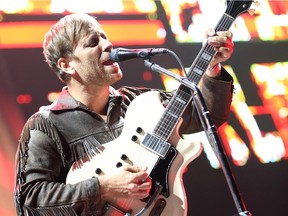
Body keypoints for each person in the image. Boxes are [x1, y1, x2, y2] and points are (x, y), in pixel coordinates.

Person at [14, 13, 234, 216]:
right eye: (93, 43)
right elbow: (29, 200)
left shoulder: (140, 101)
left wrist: (211, 68)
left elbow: (204, 115)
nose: (108, 45)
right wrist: (103, 187)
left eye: (105, 38)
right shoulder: (45, 125)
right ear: (67, 65)